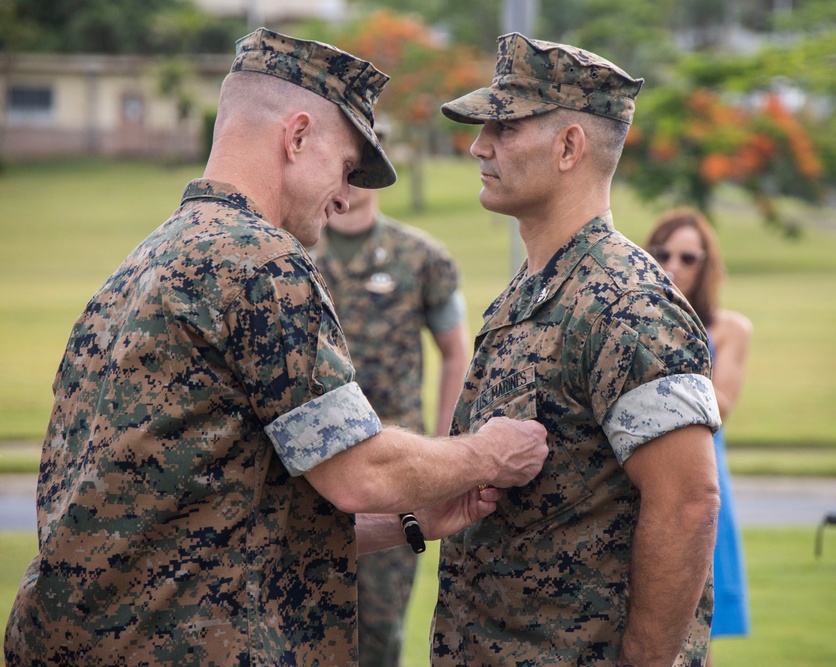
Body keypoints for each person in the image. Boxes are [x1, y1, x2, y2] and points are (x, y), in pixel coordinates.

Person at [3, 28, 549, 667]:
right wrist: (487, 454)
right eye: (346, 168)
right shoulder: (259, 262)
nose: (346, 197)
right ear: (295, 138)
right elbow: (356, 471)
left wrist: (416, 520)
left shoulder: (143, 262)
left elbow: (226, 513)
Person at [432, 33, 722, 667]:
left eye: (505, 127)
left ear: (570, 147)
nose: (480, 145)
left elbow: (689, 501)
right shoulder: (531, 292)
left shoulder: (628, 304)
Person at [313, 139, 470, 667]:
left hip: (393, 466)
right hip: (308, 465)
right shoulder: (296, 254)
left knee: (379, 632)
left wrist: (447, 447)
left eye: (362, 174)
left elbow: (455, 351)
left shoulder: (421, 257)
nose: (351, 185)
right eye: (345, 171)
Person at [645, 207, 752, 663]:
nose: (673, 265)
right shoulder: (635, 319)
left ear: (706, 265)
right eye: (662, 253)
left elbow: (721, 405)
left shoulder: (729, 328)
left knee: (698, 625)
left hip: (702, 472)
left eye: (688, 257)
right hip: (644, 472)